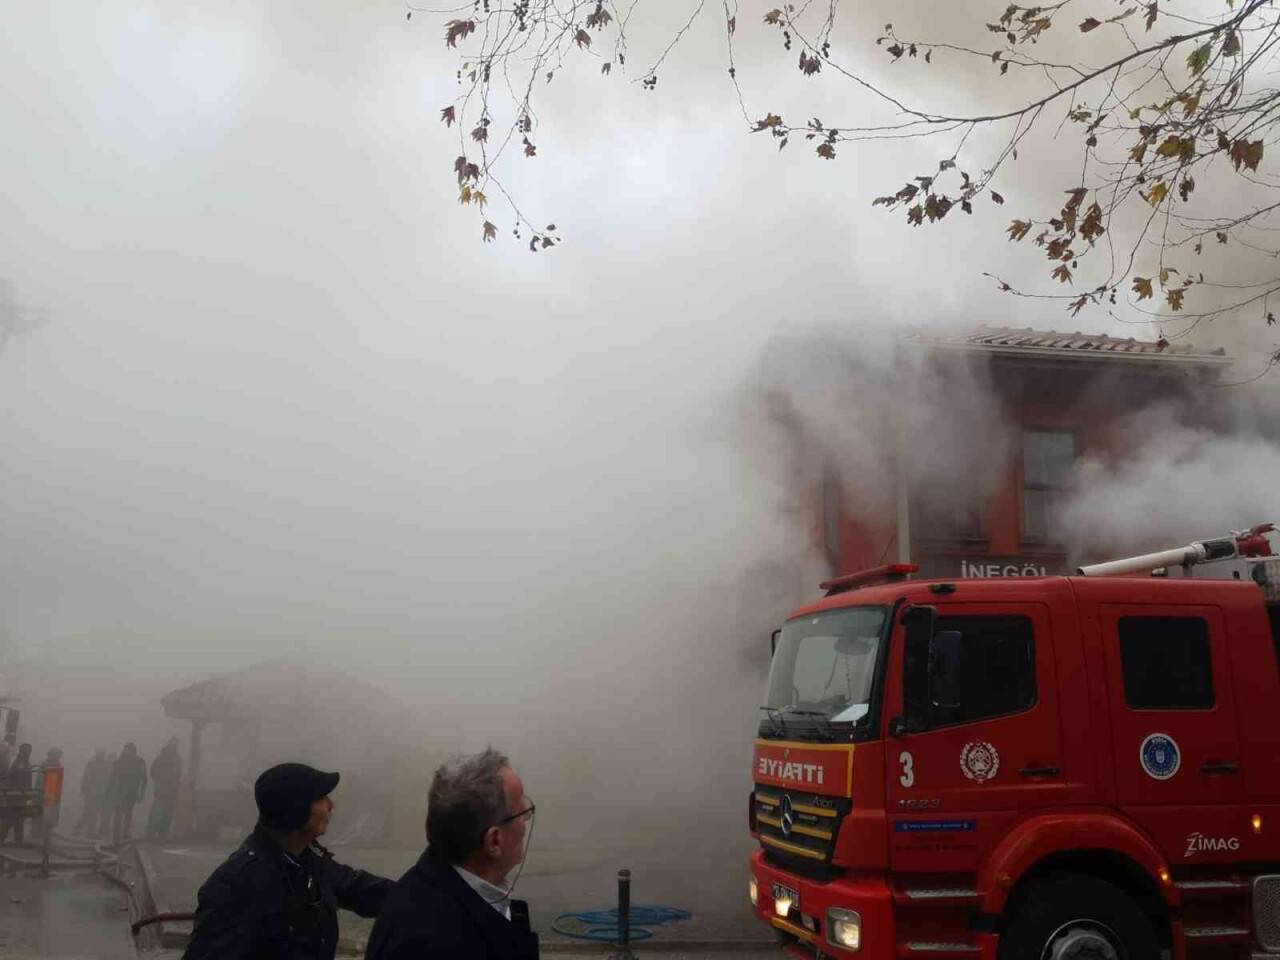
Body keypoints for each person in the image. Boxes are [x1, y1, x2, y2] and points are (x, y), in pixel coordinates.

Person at [182, 762, 393, 960]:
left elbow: (361, 889)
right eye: (321, 798)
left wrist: (420, 892)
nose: (331, 805)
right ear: (295, 809)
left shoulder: (310, 864)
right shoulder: (238, 884)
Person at [365, 747, 539, 960]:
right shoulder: (433, 945)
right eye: (522, 812)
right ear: (494, 841)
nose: (527, 820)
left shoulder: (437, 885)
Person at [107, 742, 148, 845]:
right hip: (123, 793)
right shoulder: (122, 762)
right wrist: (141, 793)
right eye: (127, 750)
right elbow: (112, 779)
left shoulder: (137, 762)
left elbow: (144, 779)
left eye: (130, 751)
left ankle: (121, 836)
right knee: (122, 815)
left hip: (128, 793)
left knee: (125, 815)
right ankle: (119, 837)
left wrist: (141, 793)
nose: (128, 753)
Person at [146, 737, 182, 840]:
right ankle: (150, 834)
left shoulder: (177, 758)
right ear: (168, 744)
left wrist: (176, 783)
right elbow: (153, 771)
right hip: (161, 791)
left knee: (167, 814)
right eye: (172, 744)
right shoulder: (161, 757)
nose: (173, 746)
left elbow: (178, 774)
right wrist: (161, 779)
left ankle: (162, 835)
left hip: (172, 791)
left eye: (175, 744)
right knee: (156, 813)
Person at [0, 743, 33, 846]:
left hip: (22, 797)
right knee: (9, 819)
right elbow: (9, 779)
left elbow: (29, 781)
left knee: (19, 819)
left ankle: (18, 840)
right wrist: (8, 793)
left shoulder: (28, 764)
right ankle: (2, 839)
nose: (27, 752)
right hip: (14, 796)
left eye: (29, 750)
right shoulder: (16, 764)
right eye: (26, 750)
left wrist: (28, 793)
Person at [74, 748, 110, 837]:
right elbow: (86, 778)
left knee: (94, 812)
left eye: (102, 754)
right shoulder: (91, 764)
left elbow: (107, 779)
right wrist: (85, 789)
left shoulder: (105, 765)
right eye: (100, 754)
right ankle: (82, 829)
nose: (101, 756)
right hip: (91, 792)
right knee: (89, 812)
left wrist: (105, 790)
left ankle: (88, 830)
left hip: (99, 792)